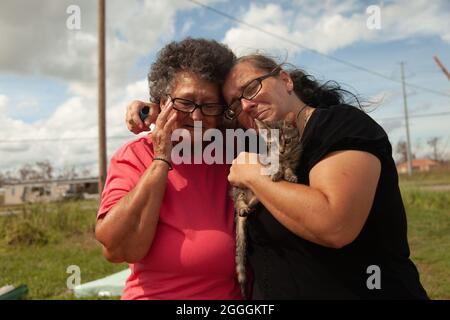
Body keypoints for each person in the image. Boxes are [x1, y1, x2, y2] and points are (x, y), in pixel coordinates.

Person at [126, 53, 428, 300]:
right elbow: (202, 123)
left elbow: (335, 224)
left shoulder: (340, 125)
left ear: (285, 79)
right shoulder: (260, 143)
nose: (245, 105)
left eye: (251, 88)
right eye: (234, 105)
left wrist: (256, 177)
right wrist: (158, 109)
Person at [95, 38, 242, 300]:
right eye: (185, 103)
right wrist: (161, 159)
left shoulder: (232, 151)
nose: (197, 117)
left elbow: (279, 126)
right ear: (162, 102)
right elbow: (116, 248)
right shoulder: (136, 154)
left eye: (209, 106)